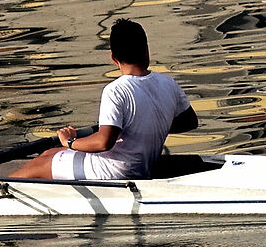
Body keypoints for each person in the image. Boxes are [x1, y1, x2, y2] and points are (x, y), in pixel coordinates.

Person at [10, 19, 196, 182]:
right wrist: (148, 127)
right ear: (147, 50)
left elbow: (103, 143)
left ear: (114, 58)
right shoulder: (168, 83)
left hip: (114, 172)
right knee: (50, 153)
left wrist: (70, 141)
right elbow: (189, 121)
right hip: (144, 166)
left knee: (40, 164)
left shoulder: (116, 90)